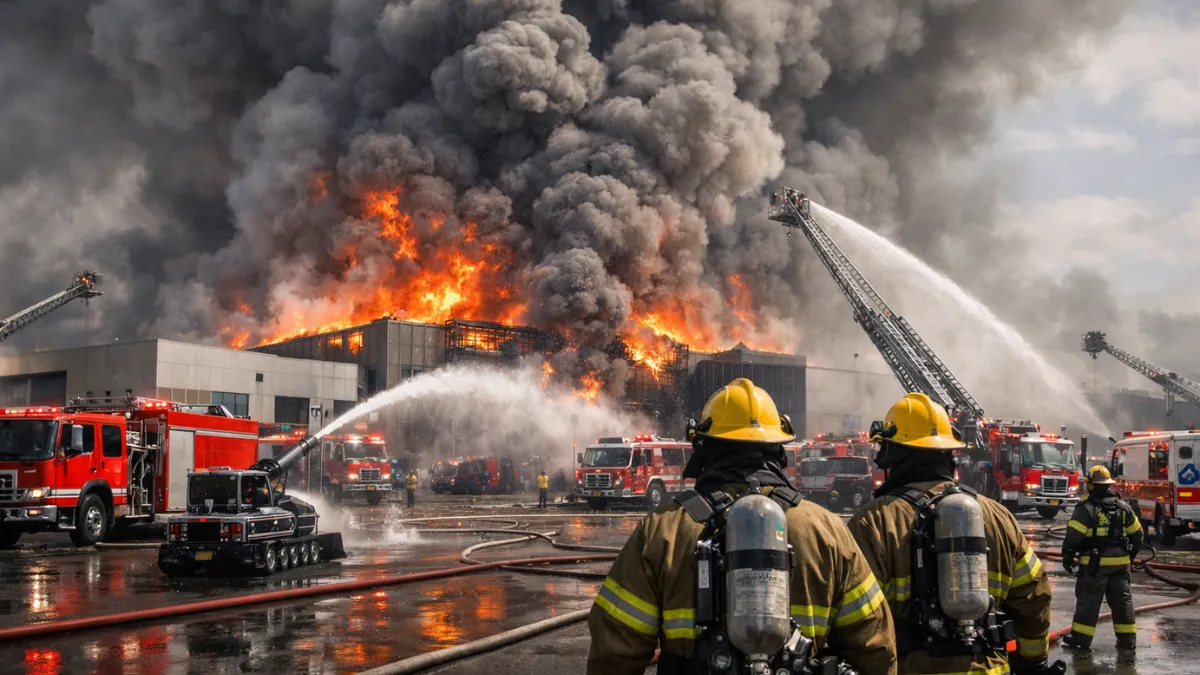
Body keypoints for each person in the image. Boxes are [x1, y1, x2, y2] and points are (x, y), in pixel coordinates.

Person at [587, 378, 896, 675]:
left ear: (703, 449)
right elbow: (875, 646)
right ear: (778, 449)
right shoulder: (826, 530)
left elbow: (614, 649)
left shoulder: (662, 529)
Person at [848, 393, 1056, 675]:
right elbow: (1035, 597)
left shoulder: (873, 522)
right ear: (949, 453)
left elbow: (857, 621)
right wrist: (1032, 662)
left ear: (892, 455)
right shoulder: (997, 516)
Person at [1060, 465, 1143, 651]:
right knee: (1123, 603)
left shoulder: (1085, 509)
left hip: (1094, 567)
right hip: (1121, 566)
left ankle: (1081, 640)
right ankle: (1127, 641)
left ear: (1091, 485)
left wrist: (1067, 557)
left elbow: (1073, 538)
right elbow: (1138, 535)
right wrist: (1129, 556)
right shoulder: (1124, 508)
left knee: (1088, 603)